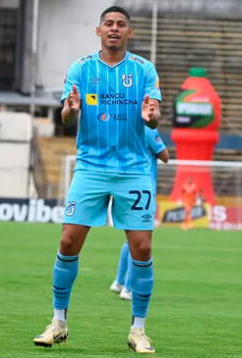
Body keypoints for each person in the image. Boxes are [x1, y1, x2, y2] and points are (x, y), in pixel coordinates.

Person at [32, 6, 161, 353]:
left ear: (129, 33)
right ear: (98, 30)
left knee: (143, 247)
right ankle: (58, 322)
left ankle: (138, 330)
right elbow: (66, 118)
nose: (114, 29)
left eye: (121, 25)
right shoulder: (81, 69)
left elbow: (153, 117)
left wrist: (151, 117)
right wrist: (70, 110)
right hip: (91, 168)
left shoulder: (144, 69)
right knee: (69, 241)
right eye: (109, 24)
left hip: (134, 171)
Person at [111, 127, 169, 301]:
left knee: (130, 238)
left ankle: (119, 282)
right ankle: (128, 289)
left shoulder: (122, 129)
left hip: (125, 186)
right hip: (143, 188)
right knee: (140, 239)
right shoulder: (148, 130)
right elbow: (165, 156)